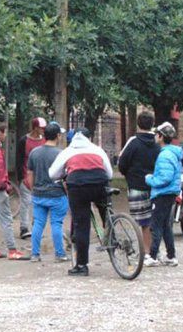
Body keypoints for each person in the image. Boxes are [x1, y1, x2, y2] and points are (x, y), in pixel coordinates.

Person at [49, 129, 113, 277]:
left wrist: (64, 174)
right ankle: (112, 234)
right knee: (106, 210)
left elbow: (52, 174)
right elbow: (109, 173)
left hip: (78, 187)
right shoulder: (97, 149)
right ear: (89, 138)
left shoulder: (67, 151)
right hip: (100, 184)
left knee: (81, 225)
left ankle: (82, 265)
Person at [117, 111, 161, 258]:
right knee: (153, 220)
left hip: (136, 185)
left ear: (138, 123)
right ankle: (153, 249)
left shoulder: (133, 142)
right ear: (152, 124)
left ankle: (147, 251)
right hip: (155, 186)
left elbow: (122, 163)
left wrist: (128, 175)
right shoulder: (157, 144)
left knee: (142, 222)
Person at [0, 121, 27, 260]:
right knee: (7, 219)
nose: (6, 135)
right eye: (5, 132)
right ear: (0, 132)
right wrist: (5, 186)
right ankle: (12, 250)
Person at [27, 122, 69, 263]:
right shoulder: (61, 154)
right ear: (57, 136)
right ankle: (60, 254)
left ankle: (35, 254)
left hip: (38, 194)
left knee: (38, 224)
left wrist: (33, 189)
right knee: (56, 223)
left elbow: (30, 173)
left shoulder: (34, 152)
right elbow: (65, 176)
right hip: (57, 195)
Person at [144, 122, 182, 267]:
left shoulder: (165, 155)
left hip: (162, 194)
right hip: (170, 193)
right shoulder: (173, 153)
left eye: (156, 134)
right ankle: (171, 256)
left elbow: (165, 178)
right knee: (166, 226)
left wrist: (150, 179)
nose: (154, 136)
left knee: (156, 225)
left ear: (160, 136)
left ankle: (153, 256)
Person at [16, 117, 47, 240]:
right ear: (35, 128)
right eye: (41, 128)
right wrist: (21, 178)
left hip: (41, 178)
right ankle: (24, 228)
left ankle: (37, 228)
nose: (43, 130)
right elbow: (19, 160)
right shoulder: (24, 140)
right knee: (26, 202)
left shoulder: (44, 140)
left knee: (39, 204)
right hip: (27, 177)